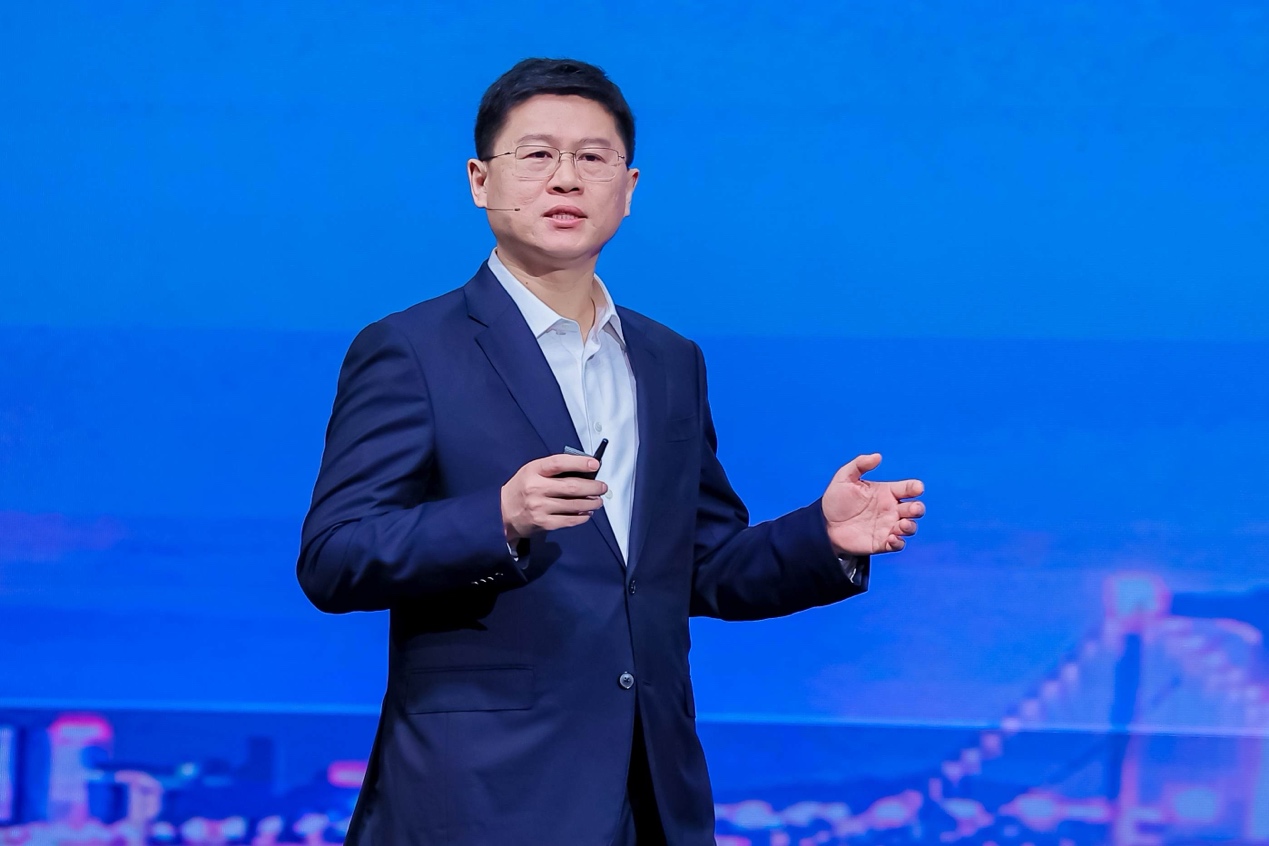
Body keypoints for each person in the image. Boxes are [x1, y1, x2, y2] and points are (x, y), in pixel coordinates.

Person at [297, 57, 925, 846]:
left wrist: (820, 537)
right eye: (536, 155)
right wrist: (500, 518)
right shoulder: (412, 349)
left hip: (649, 796)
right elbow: (334, 557)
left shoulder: (669, 360)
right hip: (481, 801)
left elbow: (698, 565)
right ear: (480, 181)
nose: (566, 179)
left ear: (627, 190)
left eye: (591, 158)